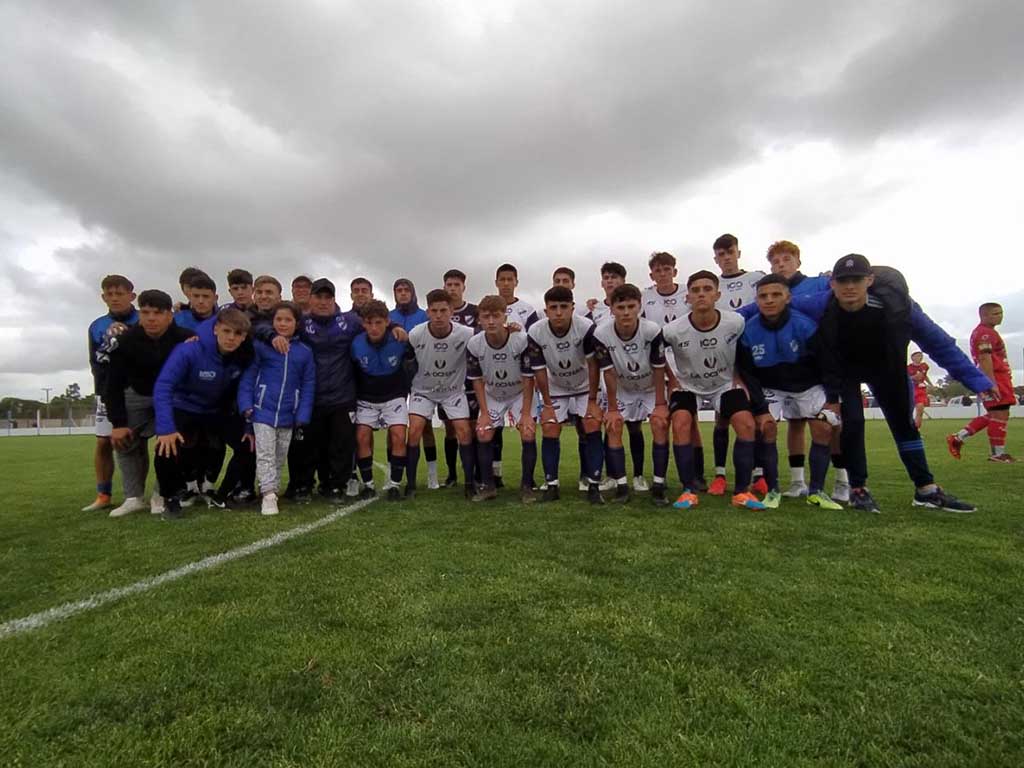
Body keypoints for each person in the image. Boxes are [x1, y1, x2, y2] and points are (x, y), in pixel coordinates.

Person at [783, 254, 992, 513]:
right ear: (832, 284)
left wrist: (976, 380)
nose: (850, 286)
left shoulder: (899, 307)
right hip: (844, 372)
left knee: (904, 425)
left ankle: (926, 490)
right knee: (852, 424)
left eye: (857, 279)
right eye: (843, 280)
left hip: (887, 369)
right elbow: (777, 304)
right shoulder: (820, 304)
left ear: (869, 280)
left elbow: (939, 343)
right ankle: (858, 490)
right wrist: (736, 315)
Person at [661, 271, 767, 510]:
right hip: (688, 386)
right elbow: (655, 354)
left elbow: (743, 352)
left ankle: (741, 492)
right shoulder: (672, 330)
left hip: (723, 385)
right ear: (687, 297)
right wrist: (672, 380)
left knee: (746, 423)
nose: (701, 294)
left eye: (707, 289)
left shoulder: (735, 322)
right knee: (680, 423)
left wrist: (738, 377)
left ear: (717, 295)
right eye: (695, 290)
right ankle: (688, 491)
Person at [735, 274, 842, 510]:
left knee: (823, 427)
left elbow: (827, 364)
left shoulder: (805, 325)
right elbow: (748, 373)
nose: (769, 300)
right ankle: (773, 491)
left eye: (776, 294)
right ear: (757, 300)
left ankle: (816, 492)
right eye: (763, 296)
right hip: (771, 387)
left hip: (808, 385)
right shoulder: (748, 330)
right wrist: (760, 409)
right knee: (766, 427)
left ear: (788, 297)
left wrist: (833, 398)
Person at [153, 308, 256, 520]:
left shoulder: (244, 356)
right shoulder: (189, 350)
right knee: (166, 445)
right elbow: (164, 385)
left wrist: (248, 426)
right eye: (226, 331)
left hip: (215, 409)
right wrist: (165, 428)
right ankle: (171, 498)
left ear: (244, 336)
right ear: (216, 329)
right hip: (184, 405)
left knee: (248, 444)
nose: (231, 338)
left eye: (237, 334)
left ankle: (221, 495)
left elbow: (245, 390)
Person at [278, 279, 367, 500]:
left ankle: (335, 485)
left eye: (328, 297)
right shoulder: (301, 323)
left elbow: (376, 323)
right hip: (311, 397)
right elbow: (270, 327)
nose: (323, 301)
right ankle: (303, 485)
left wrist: (395, 329)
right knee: (307, 445)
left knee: (340, 445)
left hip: (342, 396)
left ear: (334, 299)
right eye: (319, 297)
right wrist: (273, 336)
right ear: (310, 299)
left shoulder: (350, 321)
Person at [105, 290, 190, 517]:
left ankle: (162, 493)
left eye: (157, 313)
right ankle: (133, 497)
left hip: (172, 398)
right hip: (137, 395)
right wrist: (118, 423)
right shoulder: (124, 341)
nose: (151, 318)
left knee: (171, 442)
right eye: (145, 312)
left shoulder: (186, 338)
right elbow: (113, 384)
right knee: (126, 444)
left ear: (169, 315)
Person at [764, 240, 835, 498]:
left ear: (798, 261)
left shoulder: (819, 283)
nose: (781, 265)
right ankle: (797, 482)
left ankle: (843, 481)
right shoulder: (770, 292)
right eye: (775, 262)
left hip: (818, 366)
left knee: (829, 424)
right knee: (794, 423)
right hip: (784, 370)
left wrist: (832, 278)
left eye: (786, 259)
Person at [591, 284, 671, 505]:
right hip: (623, 389)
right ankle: (622, 487)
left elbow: (659, 368)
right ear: (612, 309)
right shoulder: (601, 334)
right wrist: (612, 409)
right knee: (614, 426)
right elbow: (608, 373)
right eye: (620, 307)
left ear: (639, 307)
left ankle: (658, 487)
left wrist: (660, 404)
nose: (626, 312)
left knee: (659, 423)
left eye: (631, 306)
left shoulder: (652, 330)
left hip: (650, 388)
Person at [527, 286, 606, 504]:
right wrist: (547, 405)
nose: (559, 312)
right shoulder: (535, 331)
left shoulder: (586, 327)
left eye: (564, 307)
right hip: (556, 386)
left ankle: (594, 485)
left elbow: (593, 365)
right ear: (546, 310)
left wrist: (592, 401)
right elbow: (539, 370)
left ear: (572, 308)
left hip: (585, 385)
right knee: (550, 427)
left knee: (591, 424)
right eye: (553, 308)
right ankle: (552, 485)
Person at [237, 301, 315, 516]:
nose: (283, 323)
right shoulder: (261, 347)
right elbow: (248, 377)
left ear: (297, 323)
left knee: (280, 455)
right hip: (262, 410)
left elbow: (308, 384)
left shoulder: (305, 352)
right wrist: (246, 404)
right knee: (265, 454)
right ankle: (268, 495)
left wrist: (303, 414)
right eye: (278, 319)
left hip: (289, 414)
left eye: (288, 320)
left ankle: (272, 488)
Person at [642, 251, 708, 491]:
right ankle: (661, 477)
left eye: (667, 269)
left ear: (675, 271)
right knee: (661, 422)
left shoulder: (687, 295)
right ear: (652, 275)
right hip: (657, 365)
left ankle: (697, 475)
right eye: (658, 270)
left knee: (690, 421)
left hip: (687, 364)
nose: (663, 274)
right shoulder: (645, 297)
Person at [709, 234, 768, 497]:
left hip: (755, 354)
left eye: (729, 252)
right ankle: (720, 475)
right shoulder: (713, 285)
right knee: (721, 417)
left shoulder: (756, 278)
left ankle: (758, 474)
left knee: (756, 416)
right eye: (721, 254)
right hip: (725, 360)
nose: (726, 258)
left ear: (738, 253)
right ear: (716, 259)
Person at [405, 290, 477, 498]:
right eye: (434, 311)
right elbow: (406, 360)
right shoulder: (416, 334)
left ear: (451, 311)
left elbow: (488, 336)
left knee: (464, 431)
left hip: (452, 392)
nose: (438, 315)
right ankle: (410, 486)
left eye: (443, 311)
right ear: (427, 312)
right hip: (423, 391)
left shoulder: (466, 333)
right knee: (415, 431)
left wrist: (511, 328)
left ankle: (469, 484)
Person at [467, 295, 538, 502]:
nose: (491, 321)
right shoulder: (474, 344)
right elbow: (477, 381)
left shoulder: (520, 340)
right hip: (493, 394)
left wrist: (526, 413)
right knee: (483, 432)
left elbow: (528, 378)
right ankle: (488, 486)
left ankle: (527, 486)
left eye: (496, 316)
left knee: (528, 432)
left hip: (520, 393)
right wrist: (484, 413)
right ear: (479, 319)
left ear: (505, 317)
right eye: (485, 316)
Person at [83, 274, 139, 512]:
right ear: (103, 297)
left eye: (120, 293)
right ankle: (103, 494)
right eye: (110, 294)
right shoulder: (97, 326)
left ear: (132, 296)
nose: (115, 298)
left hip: (139, 390)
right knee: (104, 442)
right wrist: (103, 391)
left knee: (140, 441)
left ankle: (146, 493)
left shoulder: (144, 318)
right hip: (108, 391)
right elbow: (95, 362)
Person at [351, 300, 412, 501]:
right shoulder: (356, 343)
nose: (374, 328)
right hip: (366, 398)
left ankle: (394, 485)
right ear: (363, 323)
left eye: (378, 322)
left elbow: (413, 360)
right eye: (369, 323)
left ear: (387, 321)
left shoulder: (399, 339)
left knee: (398, 436)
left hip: (394, 396)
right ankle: (368, 485)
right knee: (362, 437)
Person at [948, 302, 1016, 463]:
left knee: (996, 413)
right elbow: (985, 358)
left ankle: (958, 437)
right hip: (995, 378)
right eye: (995, 313)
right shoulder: (985, 333)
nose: (999, 316)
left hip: (996, 377)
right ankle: (997, 454)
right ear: (983, 315)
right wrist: (991, 383)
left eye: (1000, 313)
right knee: (999, 414)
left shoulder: (987, 332)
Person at [443, 269, 479, 486]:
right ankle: (451, 475)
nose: (453, 288)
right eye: (449, 285)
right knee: (450, 428)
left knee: (472, 428)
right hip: (447, 380)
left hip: (470, 377)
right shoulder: (439, 312)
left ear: (464, 287)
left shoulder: (475, 311)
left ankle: (473, 473)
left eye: (456, 285)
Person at [495, 263, 539, 329]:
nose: (506, 283)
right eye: (502, 279)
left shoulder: (528, 310)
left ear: (516, 282)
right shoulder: (486, 309)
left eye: (510, 279)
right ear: (496, 283)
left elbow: (534, 333)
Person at [907, 350, 933, 430]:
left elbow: (925, 376)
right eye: (918, 356)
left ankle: (917, 429)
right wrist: (913, 377)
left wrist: (930, 384)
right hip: (911, 389)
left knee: (920, 409)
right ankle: (908, 427)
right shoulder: (908, 368)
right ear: (913, 358)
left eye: (921, 356)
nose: (920, 357)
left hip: (921, 389)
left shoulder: (924, 366)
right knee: (909, 410)